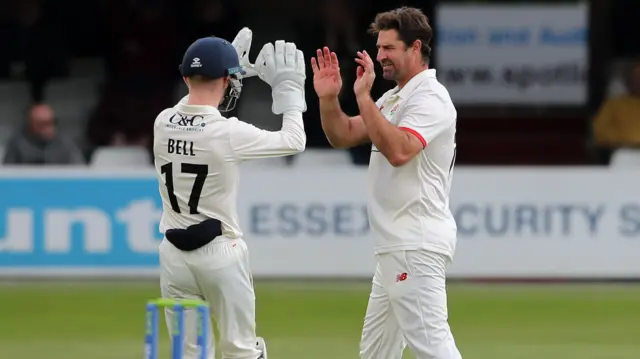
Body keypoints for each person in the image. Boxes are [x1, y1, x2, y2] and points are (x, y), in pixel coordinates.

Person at [311, 7, 463, 359]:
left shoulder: (431, 98)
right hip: (396, 247)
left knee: (433, 346)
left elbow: (398, 151)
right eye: (379, 48)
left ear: (416, 48)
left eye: (389, 48)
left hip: (415, 243)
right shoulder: (395, 97)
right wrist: (330, 98)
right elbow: (344, 133)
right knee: (376, 353)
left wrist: (363, 97)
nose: (379, 57)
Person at [153, 32, 307, 359]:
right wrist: (289, 91)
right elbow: (294, 140)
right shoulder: (228, 132)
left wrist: (227, 73)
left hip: (173, 256)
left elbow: (193, 112)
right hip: (221, 255)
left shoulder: (162, 122)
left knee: (190, 354)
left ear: (184, 77)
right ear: (226, 80)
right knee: (240, 351)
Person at [3, 103, 85, 165]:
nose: (49, 128)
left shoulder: (66, 144)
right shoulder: (17, 144)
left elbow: (79, 173)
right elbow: (8, 174)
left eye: (52, 122)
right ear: (31, 125)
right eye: (43, 123)